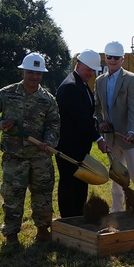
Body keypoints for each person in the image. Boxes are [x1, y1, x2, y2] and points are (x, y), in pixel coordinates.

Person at [0, 52, 61, 246]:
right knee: (12, 196)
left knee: (43, 195)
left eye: (38, 73)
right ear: (23, 72)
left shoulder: (48, 99)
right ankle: (11, 234)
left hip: (40, 157)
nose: (34, 76)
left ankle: (43, 230)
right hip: (14, 156)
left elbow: (54, 124)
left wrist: (48, 142)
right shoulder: (6, 94)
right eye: (31, 72)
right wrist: (1, 123)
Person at [95, 41, 134, 212]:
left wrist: (131, 130)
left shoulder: (132, 79)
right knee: (117, 175)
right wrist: (101, 122)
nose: (112, 60)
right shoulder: (99, 81)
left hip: (130, 137)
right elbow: (97, 107)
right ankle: (117, 209)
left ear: (122, 59)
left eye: (116, 58)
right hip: (111, 137)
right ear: (105, 58)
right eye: (109, 57)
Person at [55, 49, 108, 218]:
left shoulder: (81, 83)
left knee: (81, 181)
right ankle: (68, 219)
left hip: (80, 147)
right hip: (68, 146)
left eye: (93, 71)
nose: (91, 74)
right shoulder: (70, 86)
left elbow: (87, 115)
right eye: (88, 70)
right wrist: (98, 138)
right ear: (78, 65)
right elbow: (81, 118)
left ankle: (79, 215)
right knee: (69, 183)